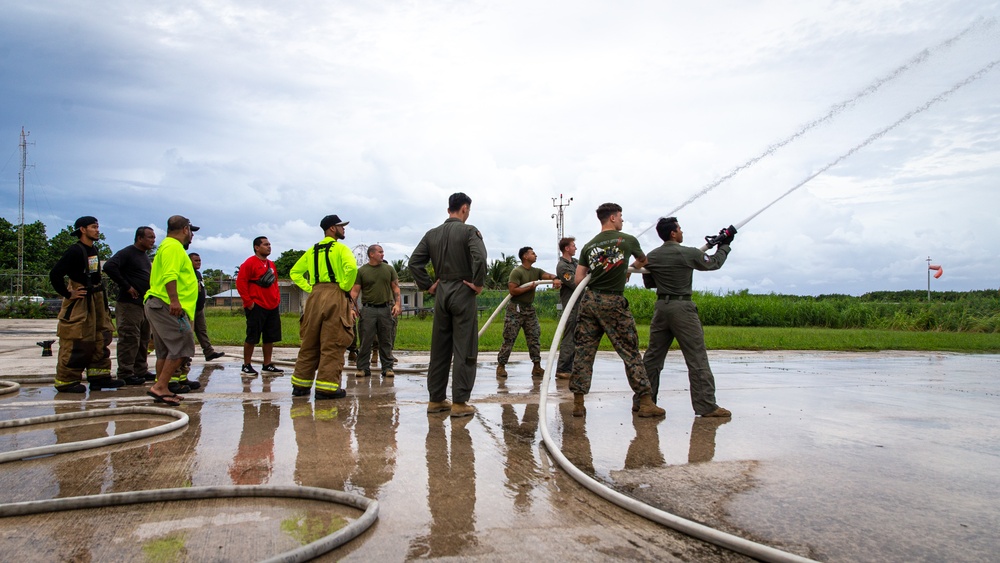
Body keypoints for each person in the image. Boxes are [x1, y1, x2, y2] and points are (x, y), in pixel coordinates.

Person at [569, 203, 664, 418]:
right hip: (613, 301)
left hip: (590, 302)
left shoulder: (588, 246)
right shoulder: (628, 240)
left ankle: (578, 403)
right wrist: (625, 270)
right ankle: (646, 402)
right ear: (612, 218)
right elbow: (643, 261)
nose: (622, 220)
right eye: (620, 216)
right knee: (629, 351)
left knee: (584, 352)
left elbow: (578, 280)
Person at [641, 217, 734, 418]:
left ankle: (644, 402)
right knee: (696, 357)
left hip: (661, 308)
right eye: (680, 229)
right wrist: (725, 246)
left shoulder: (652, 256)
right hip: (682, 308)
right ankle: (706, 406)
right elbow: (714, 263)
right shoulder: (688, 253)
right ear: (673, 233)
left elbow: (649, 282)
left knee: (653, 357)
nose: (682, 231)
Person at [409, 192, 487, 418]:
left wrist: (428, 286)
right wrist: (478, 284)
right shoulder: (469, 231)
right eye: (468, 210)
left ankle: (435, 399)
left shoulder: (431, 234)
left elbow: (415, 262)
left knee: (440, 347)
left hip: (442, 291)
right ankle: (460, 402)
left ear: (448, 210)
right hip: (463, 290)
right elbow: (480, 258)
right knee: (465, 348)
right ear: (464, 208)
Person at [289, 215, 358, 399]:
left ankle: (300, 386)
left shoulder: (312, 250)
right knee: (333, 341)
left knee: (309, 341)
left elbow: (295, 272)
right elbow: (352, 268)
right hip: (335, 294)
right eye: (341, 226)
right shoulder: (341, 249)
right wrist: (344, 286)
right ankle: (327, 388)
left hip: (315, 296)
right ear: (332, 229)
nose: (344, 229)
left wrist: (310, 288)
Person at [48, 216, 121, 393]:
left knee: (100, 336)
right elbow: (55, 274)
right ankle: (66, 381)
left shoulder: (93, 249)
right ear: (82, 229)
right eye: (93, 227)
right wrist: (68, 294)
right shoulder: (74, 250)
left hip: (96, 298)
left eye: (97, 227)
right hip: (80, 300)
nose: (97, 230)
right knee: (77, 339)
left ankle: (99, 377)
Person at [144, 215, 201, 405]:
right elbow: (170, 275)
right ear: (185, 229)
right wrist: (174, 301)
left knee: (164, 350)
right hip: (166, 305)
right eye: (191, 231)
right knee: (184, 345)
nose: (191, 236)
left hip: (160, 304)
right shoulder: (173, 247)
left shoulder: (167, 246)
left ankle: (162, 388)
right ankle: (160, 387)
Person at [495, 246, 560, 379]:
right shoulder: (517, 272)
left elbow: (547, 275)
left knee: (534, 337)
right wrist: (529, 288)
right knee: (509, 338)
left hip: (529, 309)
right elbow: (513, 291)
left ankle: (536, 366)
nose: (535, 255)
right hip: (515, 309)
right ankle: (501, 366)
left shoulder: (536, 271)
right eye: (532, 253)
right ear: (525, 256)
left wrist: (555, 278)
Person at [103, 226, 156, 386]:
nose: (153, 241)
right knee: (130, 338)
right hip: (129, 304)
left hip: (143, 304)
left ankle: (140, 369)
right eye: (150, 237)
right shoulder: (127, 252)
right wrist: (126, 286)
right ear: (139, 238)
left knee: (143, 339)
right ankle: (125, 372)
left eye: (154, 237)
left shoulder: (144, 256)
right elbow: (109, 266)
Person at [350, 244, 402, 378]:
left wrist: (397, 304)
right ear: (371, 254)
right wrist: (351, 309)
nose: (382, 254)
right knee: (365, 340)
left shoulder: (389, 269)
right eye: (380, 252)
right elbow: (355, 292)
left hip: (385, 309)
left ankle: (387, 368)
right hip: (368, 310)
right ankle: (362, 368)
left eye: (383, 252)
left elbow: (396, 289)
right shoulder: (362, 271)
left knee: (386, 339)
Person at [236, 236, 283, 376]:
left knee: (270, 337)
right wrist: (248, 302)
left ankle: (267, 364)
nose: (269, 247)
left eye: (269, 244)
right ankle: (246, 365)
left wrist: (277, 299)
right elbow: (241, 283)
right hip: (257, 306)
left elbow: (274, 282)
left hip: (272, 306)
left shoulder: (271, 264)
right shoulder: (249, 263)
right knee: (252, 336)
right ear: (257, 247)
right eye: (265, 244)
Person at [189, 253, 225, 361]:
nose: (198, 262)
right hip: (190, 309)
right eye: (196, 260)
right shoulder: (188, 274)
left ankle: (209, 352)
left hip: (199, 308)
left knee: (202, 330)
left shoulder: (198, 274)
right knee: (188, 334)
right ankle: (185, 358)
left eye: (199, 260)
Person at [555, 237, 579, 379]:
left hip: (580, 304)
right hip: (571, 305)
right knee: (569, 337)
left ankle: (571, 367)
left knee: (578, 337)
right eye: (573, 246)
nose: (575, 248)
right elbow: (574, 283)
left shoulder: (576, 263)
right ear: (567, 248)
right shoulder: (562, 266)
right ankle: (563, 368)